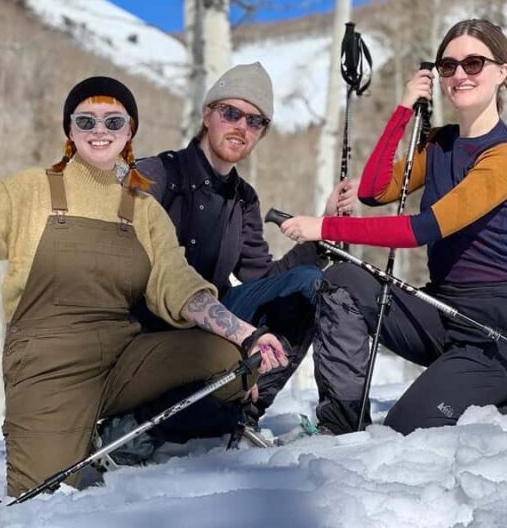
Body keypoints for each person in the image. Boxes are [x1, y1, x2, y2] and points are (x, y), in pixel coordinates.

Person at [0, 76, 288, 517]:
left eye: (113, 121)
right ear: (70, 130)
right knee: (37, 507)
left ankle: (124, 435)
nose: (99, 130)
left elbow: (179, 286)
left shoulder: (142, 207)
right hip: (49, 365)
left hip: (123, 359)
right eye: (86, 120)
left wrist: (246, 334)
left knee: (226, 358)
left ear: (129, 131)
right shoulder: (30, 189)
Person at [280, 19, 507, 435]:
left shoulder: (505, 155)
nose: (459, 75)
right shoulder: (439, 143)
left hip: (497, 325)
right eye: (448, 66)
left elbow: (424, 228)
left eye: (474, 63)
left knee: (409, 428)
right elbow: (373, 190)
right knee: (343, 280)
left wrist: (323, 227)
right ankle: (343, 425)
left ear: (501, 71)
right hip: (443, 310)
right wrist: (403, 109)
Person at [126, 62, 357, 441]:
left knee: (309, 284)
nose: (241, 127)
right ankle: (161, 414)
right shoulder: (157, 175)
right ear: (207, 114)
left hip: (214, 322)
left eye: (255, 121)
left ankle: (246, 409)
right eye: (231, 113)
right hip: (152, 336)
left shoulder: (242, 198)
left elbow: (264, 281)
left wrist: (322, 230)